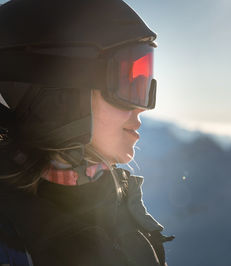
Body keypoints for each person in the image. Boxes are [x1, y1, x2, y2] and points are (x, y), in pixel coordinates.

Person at [0, 0, 173, 265]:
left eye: (144, 81)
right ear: (61, 92)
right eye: (128, 82)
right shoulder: (11, 244)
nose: (142, 107)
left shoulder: (124, 212)